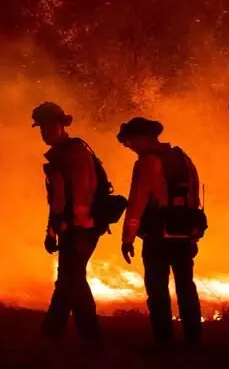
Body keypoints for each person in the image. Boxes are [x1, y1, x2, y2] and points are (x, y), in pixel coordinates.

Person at [117, 117, 204, 348]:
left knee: (157, 289)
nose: (130, 146)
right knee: (186, 286)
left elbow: (137, 201)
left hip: (157, 236)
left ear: (144, 138)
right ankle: (193, 338)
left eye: (131, 141)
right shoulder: (183, 158)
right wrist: (193, 234)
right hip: (184, 235)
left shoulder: (147, 162)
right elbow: (194, 199)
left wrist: (127, 238)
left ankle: (163, 340)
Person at [33, 102, 102, 342]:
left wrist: (78, 228)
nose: (44, 132)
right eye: (41, 128)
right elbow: (57, 200)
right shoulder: (60, 155)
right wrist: (51, 231)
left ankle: (54, 333)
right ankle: (88, 336)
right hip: (70, 228)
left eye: (49, 127)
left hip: (81, 228)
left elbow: (82, 193)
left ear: (62, 125)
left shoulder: (75, 153)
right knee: (72, 279)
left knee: (69, 279)